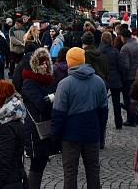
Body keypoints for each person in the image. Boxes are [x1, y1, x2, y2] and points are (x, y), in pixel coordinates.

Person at [51, 47, 108, 189]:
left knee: (70, 172)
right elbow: (104, 111)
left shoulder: (64, 84)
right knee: (93, 169)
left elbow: (58, 114)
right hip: (92, 132)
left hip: (70, 136)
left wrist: (55, 136)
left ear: (69, 62)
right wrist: (100, 132)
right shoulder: (99, 81)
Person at [20, 48, 57, 189]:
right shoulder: (29, 82)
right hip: (35, 130)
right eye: (42, 63)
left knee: (41, 163)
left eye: (47, 63)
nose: (45, 66)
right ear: (35, 65)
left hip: (46, 126)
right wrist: (53, 97)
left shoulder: (48, 80)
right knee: (36, 164)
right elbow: (40, 104)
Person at [98, 32, 124, 130]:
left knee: (101, 103)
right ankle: (118, 123)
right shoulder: (115, 51)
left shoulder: (98, 51)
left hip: (102, 79)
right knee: (116, 102)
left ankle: (102, 122)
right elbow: (121, 66)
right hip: (115, 79)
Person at [119, 28, 138, 126]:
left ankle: (131, 119)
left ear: (123, 37)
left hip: (129, 77)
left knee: (128, 99)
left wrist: (122, 76)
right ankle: (137, 118)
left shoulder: (125, 48)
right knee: (136, 99)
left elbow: (125, 66)